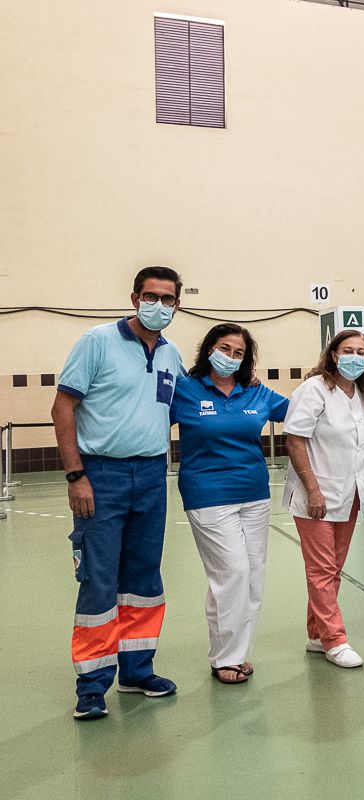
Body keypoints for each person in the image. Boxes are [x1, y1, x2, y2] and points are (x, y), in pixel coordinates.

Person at [53, 266, 186, 720]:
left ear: (177, 305)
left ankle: (137, 670)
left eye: (167, 299)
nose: (158, 305)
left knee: (144, 579)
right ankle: (92, 685)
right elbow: (62, 408)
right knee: (99, 580)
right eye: (151, 296)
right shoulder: (97, 342)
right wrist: (76, 475)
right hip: (100, 475)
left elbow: (175, 408)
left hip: (151, 475)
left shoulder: (171, 354)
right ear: (134, 298)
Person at [172, 324, 289, 684]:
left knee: (252, 577)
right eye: (225, 349)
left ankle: (236, 653)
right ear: (209, 349)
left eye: (239, 353)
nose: (231, 357)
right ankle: (224, 657)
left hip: (254, 494)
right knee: (231, 573)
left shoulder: (255, 392)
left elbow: (298, 411)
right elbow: (148, 420)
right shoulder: (186, 390)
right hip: (207, 493)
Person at [284, 330, 364, 668]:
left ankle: (316, 633)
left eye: (361, 352)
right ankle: (335, 639)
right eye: (348, 350)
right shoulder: (314, 390)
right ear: (334, 354)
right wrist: (312, 489)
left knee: (333, 569)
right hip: (317, 494)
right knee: (322, 570)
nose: (355, 357)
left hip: (351, 493)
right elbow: (295, 440)